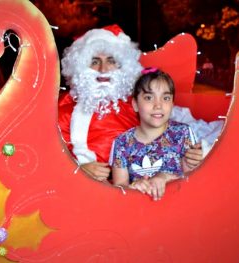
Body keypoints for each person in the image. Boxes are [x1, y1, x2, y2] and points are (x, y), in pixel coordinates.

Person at [58, 24, 213, 182]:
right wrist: (77, 169)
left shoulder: (139, 102)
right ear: (80, 66)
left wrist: (199, 151)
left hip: (138, 188)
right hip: (80, 193)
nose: (103, 69)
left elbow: (186, 128)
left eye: (111, 61)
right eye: (94, 61)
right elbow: (44, 157)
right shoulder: (62, 109)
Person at [110, 68, 194, 200]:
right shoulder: (122, 142)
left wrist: (164, 177)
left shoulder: (183, 133)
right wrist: (134, 186)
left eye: (165, 98)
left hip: (178, 208)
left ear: (172, 104)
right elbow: (119, 186)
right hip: (139, 213)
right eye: (149, 97)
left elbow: (193, 180)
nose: (158, 105)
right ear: (135, 104)